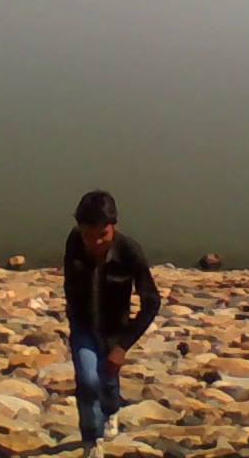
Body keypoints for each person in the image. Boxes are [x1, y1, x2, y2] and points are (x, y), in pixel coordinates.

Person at [63, 190, 161, 458]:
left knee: (107, 379)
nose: (95, 242)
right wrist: (74, 319)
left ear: (113, 227)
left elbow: (151, 301)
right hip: (83, 325)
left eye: (102, 235)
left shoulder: (130, 252)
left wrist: (123, 346)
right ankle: (91, 440)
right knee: (87, 380)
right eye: (88, 235)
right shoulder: (74, 242)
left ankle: (111, 409)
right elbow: (70, 284)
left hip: (115, 330)